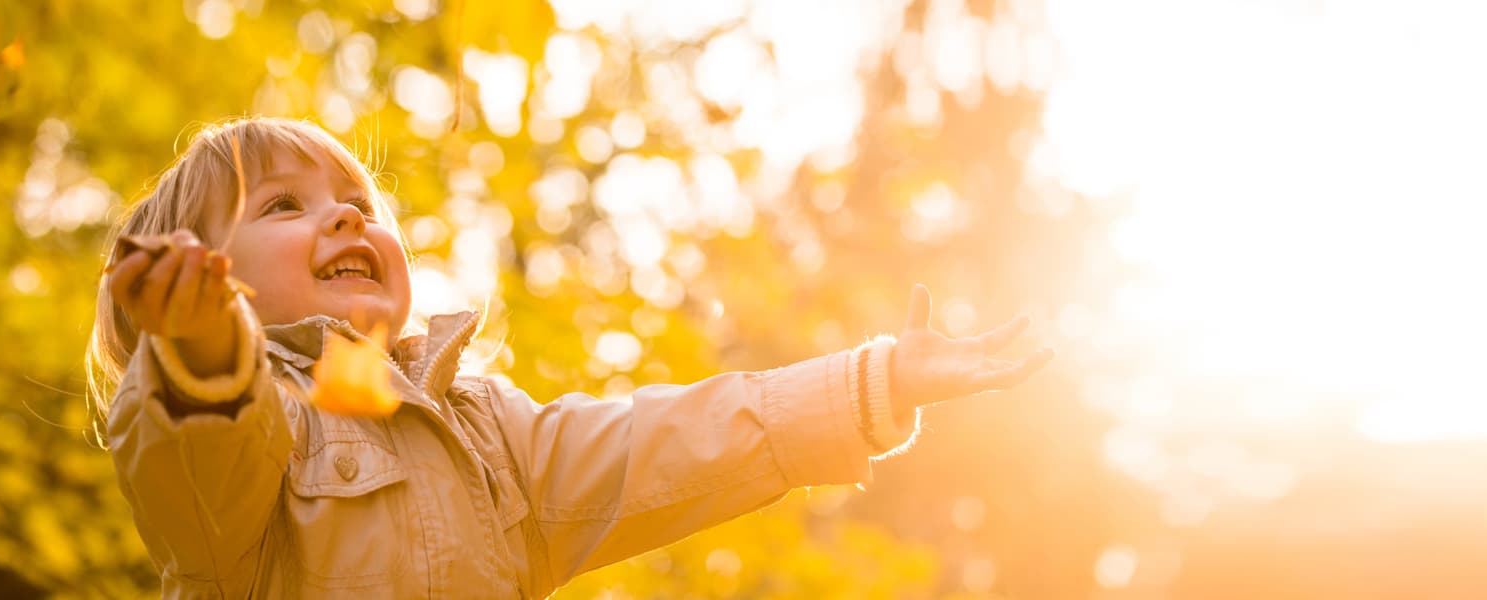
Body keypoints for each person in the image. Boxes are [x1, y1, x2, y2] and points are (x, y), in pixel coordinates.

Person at [85, 117, 1053, 598]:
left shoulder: (485, 428)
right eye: (281, 206)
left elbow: (665, 443)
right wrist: (205, 351)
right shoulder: (240, 425)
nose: (343, 213)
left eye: (357, 202)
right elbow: (195, 476)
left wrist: (873, 384)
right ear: (208, 278)